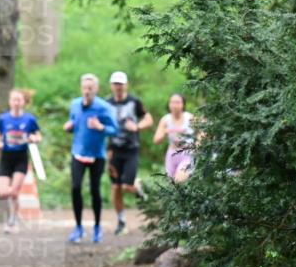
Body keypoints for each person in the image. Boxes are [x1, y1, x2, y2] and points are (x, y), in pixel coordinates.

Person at [63, 74, 118, 244]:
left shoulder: (104, 107)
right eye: (84, 88)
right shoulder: (74, 105)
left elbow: (114, 130)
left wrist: (100, 126)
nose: (87, 91)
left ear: (96, 89)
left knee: (95, 190)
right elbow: (74, 122)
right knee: (75, 187)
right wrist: (69, 126)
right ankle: (79, 227)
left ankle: (96, 227)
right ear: (81, 88)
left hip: (97, 155)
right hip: (78, 153)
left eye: (90, 88)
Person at [105, 71, 153, 235]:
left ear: (126, 85)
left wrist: (137, 127)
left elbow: (149, 119)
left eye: (121, 84)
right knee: (115, 187)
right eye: (115, 84)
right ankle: (121, 221)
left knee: (127, 186)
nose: (118, 87)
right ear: (111, 86)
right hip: (113, 150)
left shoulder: (134, 102)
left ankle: (138, 188)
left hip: (131, 149)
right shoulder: (106, 103)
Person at [0, 89, 42, 234]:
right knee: (3, 193)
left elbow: (38, 136)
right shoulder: (3, 118)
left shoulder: (29, 119)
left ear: (23, 102)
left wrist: (34, 139)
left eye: (19, 100)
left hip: (21, 158)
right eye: (13, 99)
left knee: (13, 192)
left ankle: (12, 221)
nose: (16, 102)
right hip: (6, 158)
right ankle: (11, 217)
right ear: (10, 102)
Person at [154, 93, 196, 183]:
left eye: (178, 102)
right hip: (171, 155)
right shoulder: (165, 119)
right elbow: (156, 140)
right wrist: (165, 132)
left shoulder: (189, 117)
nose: (175, 105)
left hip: (187, 154)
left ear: (183, 104)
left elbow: (203, 130)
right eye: (172, 102)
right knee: (171, 185)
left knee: (178, 180)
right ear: (169, 104)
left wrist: (198, 143)